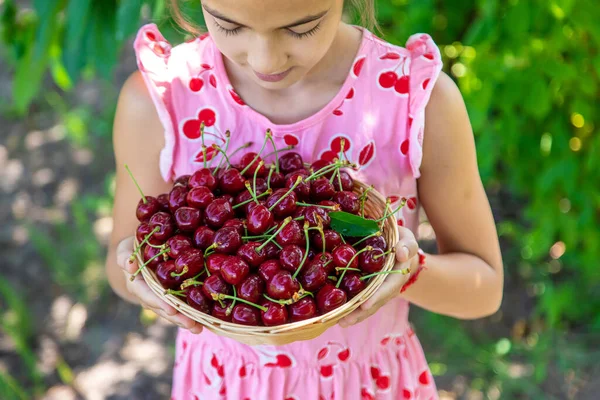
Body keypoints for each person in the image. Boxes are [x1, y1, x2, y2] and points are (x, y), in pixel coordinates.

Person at [105, 0, 504, 398]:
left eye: (301, 28)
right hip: (221, 385)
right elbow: (121, 266)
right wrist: (142, 272)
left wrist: (404, 270)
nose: (265, 59)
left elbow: (483, 288)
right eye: (229, 25)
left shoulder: (415, 102)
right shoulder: (163, 100)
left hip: (364, 385)